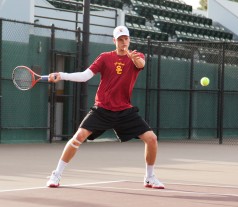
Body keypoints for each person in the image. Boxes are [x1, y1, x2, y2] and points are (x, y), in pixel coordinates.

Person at [46, 25, 165, 189]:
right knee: (79, 136)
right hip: (102, 108)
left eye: (126, 39)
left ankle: (149, 177)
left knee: (151, 139)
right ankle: (56, 175)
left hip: (124, 110)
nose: (124, 42)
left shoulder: (136, 56)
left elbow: (141, 63)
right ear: (114, 41)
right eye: (120, 39)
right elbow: (85, 76)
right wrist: (62, 75)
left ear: (129, 39)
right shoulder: (104, 57)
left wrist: (134, 59)